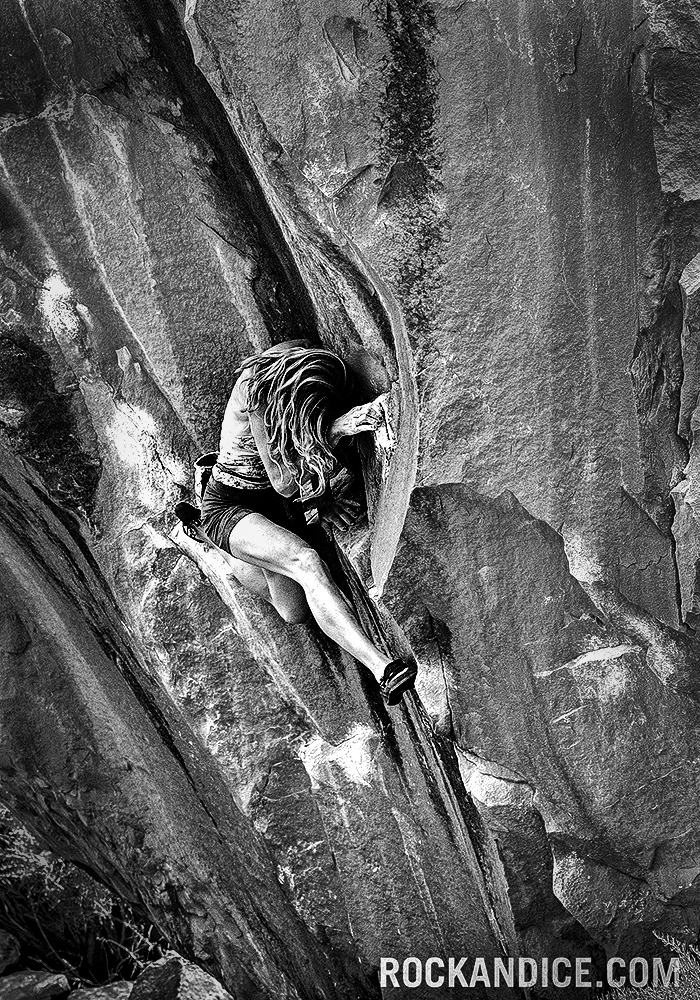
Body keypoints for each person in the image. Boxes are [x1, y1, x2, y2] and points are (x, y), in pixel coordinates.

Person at [188, 340, 417, 705]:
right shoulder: (257, 389)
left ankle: (242, 550)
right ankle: (384, 670)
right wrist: (337, 430)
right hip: (230, 505)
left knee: (293, 611)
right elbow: (283, 480)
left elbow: (294, 435)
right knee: (305, 562)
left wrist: (319, 496)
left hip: (279, 506)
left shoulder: (299, 356)